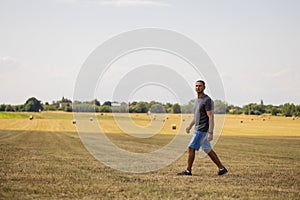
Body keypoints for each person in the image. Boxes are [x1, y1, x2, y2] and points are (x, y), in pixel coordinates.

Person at [177, 80, 228, 176]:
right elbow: (196, 116)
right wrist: (189, 126)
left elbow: (211, 116)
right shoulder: (196, 100)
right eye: (196, 86)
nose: (198, 87)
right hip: (197, 128)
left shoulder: (207, 100)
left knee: (191, 148)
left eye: (200, 86)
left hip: (202, 129)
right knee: (207, 149)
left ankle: (188, 170)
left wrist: (210, 132)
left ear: (204, 87)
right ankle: (222, 168)